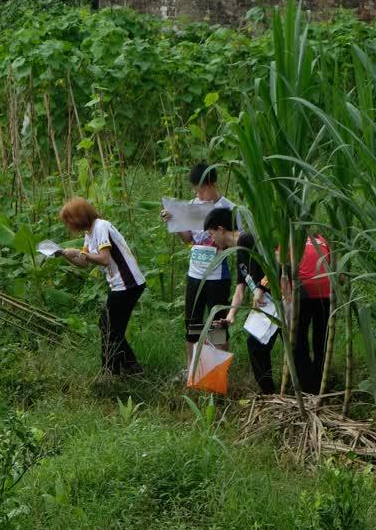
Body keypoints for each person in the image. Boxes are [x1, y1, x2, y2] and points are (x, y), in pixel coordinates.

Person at [160, 162, 239, 364]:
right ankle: (191, 370)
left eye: (202, 190)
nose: (200, 196)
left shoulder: (229, 208)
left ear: (213, 184)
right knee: (192, 324)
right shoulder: (192, 205)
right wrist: (174, 222)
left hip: (217, 276)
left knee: (218, 325)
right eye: (196, 191)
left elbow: (238, 241)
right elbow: (188, 239)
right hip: (195, 274)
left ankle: (219, 370)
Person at [58, 197, 145, 376]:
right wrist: (66, 255)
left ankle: (110, 372)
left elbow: (104, 259)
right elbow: (84, 264)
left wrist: (81, 254)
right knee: (110, 327)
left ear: (78, 217)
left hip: (128, 283)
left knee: (110, 328)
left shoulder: (101, 226)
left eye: (69, 221)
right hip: (120, 284)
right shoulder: (90, 233)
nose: (68, 225)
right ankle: (130, 367)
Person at [204, 207, 277, 394]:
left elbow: (275, 262)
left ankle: (273, 393)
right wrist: (230, 316)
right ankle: (270, 393)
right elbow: (240, 288)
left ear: (221, 229)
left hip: (278, 299)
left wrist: (261, 288)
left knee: (260, 346)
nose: (212, 240)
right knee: (256, 346)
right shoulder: (238, 251)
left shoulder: (248, 239)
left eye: (212, 234)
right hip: (266, 304)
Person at [293, 233, 332, 394]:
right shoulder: (323, 238)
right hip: (325, 293)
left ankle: (309, 385)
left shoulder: (292, 237)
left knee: (299, 340)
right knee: (320, 340)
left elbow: (283, 265)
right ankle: (319, 381)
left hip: (303, 293)